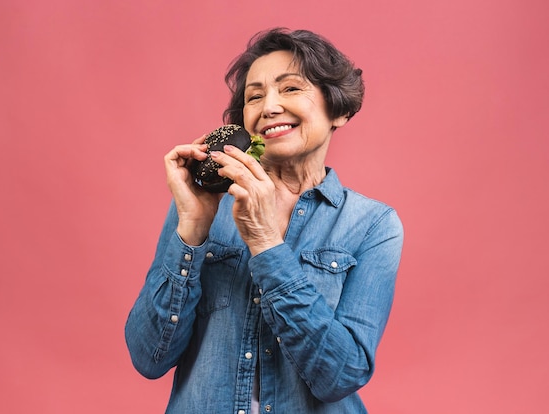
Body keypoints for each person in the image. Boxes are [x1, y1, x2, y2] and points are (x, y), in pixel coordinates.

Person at [125, 27, 404, 413]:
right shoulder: (205, 205)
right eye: (254, 96)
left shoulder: (373, 225)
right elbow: (148, 356)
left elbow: (341, 375)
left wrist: (265, 243)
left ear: (338, 109)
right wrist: (192, 227)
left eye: (290, 89)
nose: (268, 107)